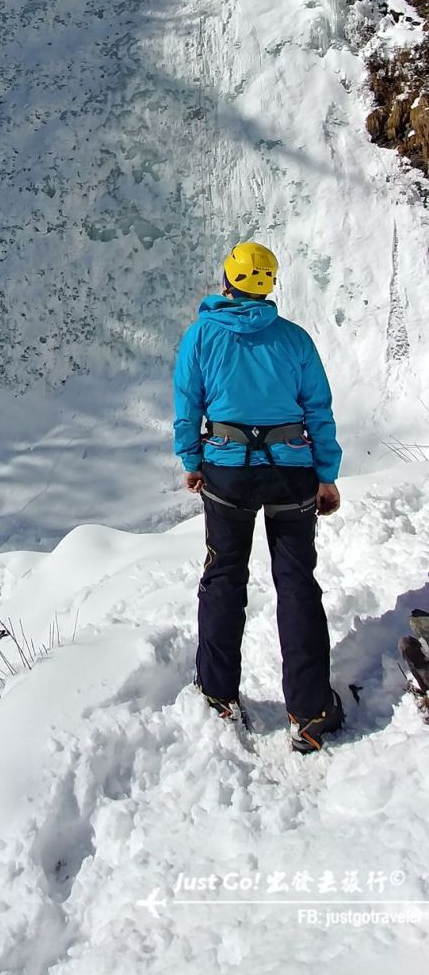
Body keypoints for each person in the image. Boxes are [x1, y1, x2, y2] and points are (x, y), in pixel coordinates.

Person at [173, 241, 344, 753]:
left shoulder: (202, 335)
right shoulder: (294, 339)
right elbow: (318, 407)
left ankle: (218, 695)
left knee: (224, 576)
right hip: (292, 472)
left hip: (226, 472)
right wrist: (327, 473)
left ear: (226, 280)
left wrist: (190, 460)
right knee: (296, 583)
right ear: (268, 287)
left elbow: (188, 403)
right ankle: (311, 711)